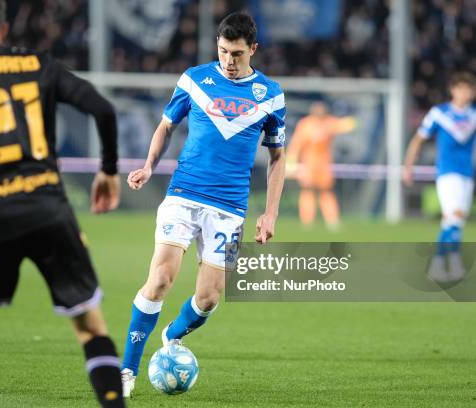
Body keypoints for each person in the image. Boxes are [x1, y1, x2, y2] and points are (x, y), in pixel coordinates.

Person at [0, 1, 124, 407]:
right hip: (49, 209)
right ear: (4, 29)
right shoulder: (37, 66)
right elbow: (102, 108)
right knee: (90, 328)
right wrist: (109, 170)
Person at [119, 12, 286, 397]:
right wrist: (148, 166)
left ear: (253, 50)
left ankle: (172, 334)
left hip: (229, 208)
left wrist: (271, 211)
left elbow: (278, 158)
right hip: (183, 195)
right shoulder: (195, 79)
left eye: (238, 54)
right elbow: (166, 126)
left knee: (209, 298)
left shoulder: (271, 94)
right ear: (217, 45)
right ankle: (126, 370)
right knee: (160, 278)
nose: (229, 60)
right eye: (224, 51)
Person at [403, 72, 475, 282]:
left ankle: (453, 263)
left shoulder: (473, 115)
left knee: (457, 221)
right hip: (447, 172)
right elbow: (419, 139)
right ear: (452, 90)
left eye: (468, 89)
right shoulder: (439, 113)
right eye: (460, 89)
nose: (464, 93)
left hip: (467, 173)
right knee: (453, 216)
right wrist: (408, 166)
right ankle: (437, 264)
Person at [286, 102, 356, 230]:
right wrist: (291, 162)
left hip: (324, 165)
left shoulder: (328, 123)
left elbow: (346, 125)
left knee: (326, 192)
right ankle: (307, 222)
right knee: (307, 192)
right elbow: (296, 145)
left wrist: (352, 120)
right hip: (309, 164)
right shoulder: (306, 124)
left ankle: (332, 221)